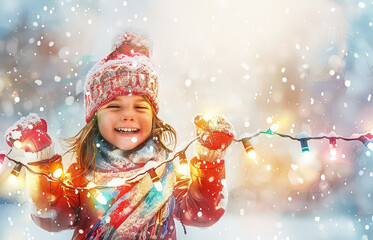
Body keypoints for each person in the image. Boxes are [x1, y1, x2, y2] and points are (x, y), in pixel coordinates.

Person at [4, 32, 235, 240]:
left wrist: (210, 159)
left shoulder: (168, 172)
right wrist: (41, 159)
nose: (128, 115)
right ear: (95, 117)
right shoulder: (85, 172)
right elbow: (52, 217)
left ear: (154, 117)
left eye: (140, 107)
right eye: (115, 106)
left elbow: (202, 213)